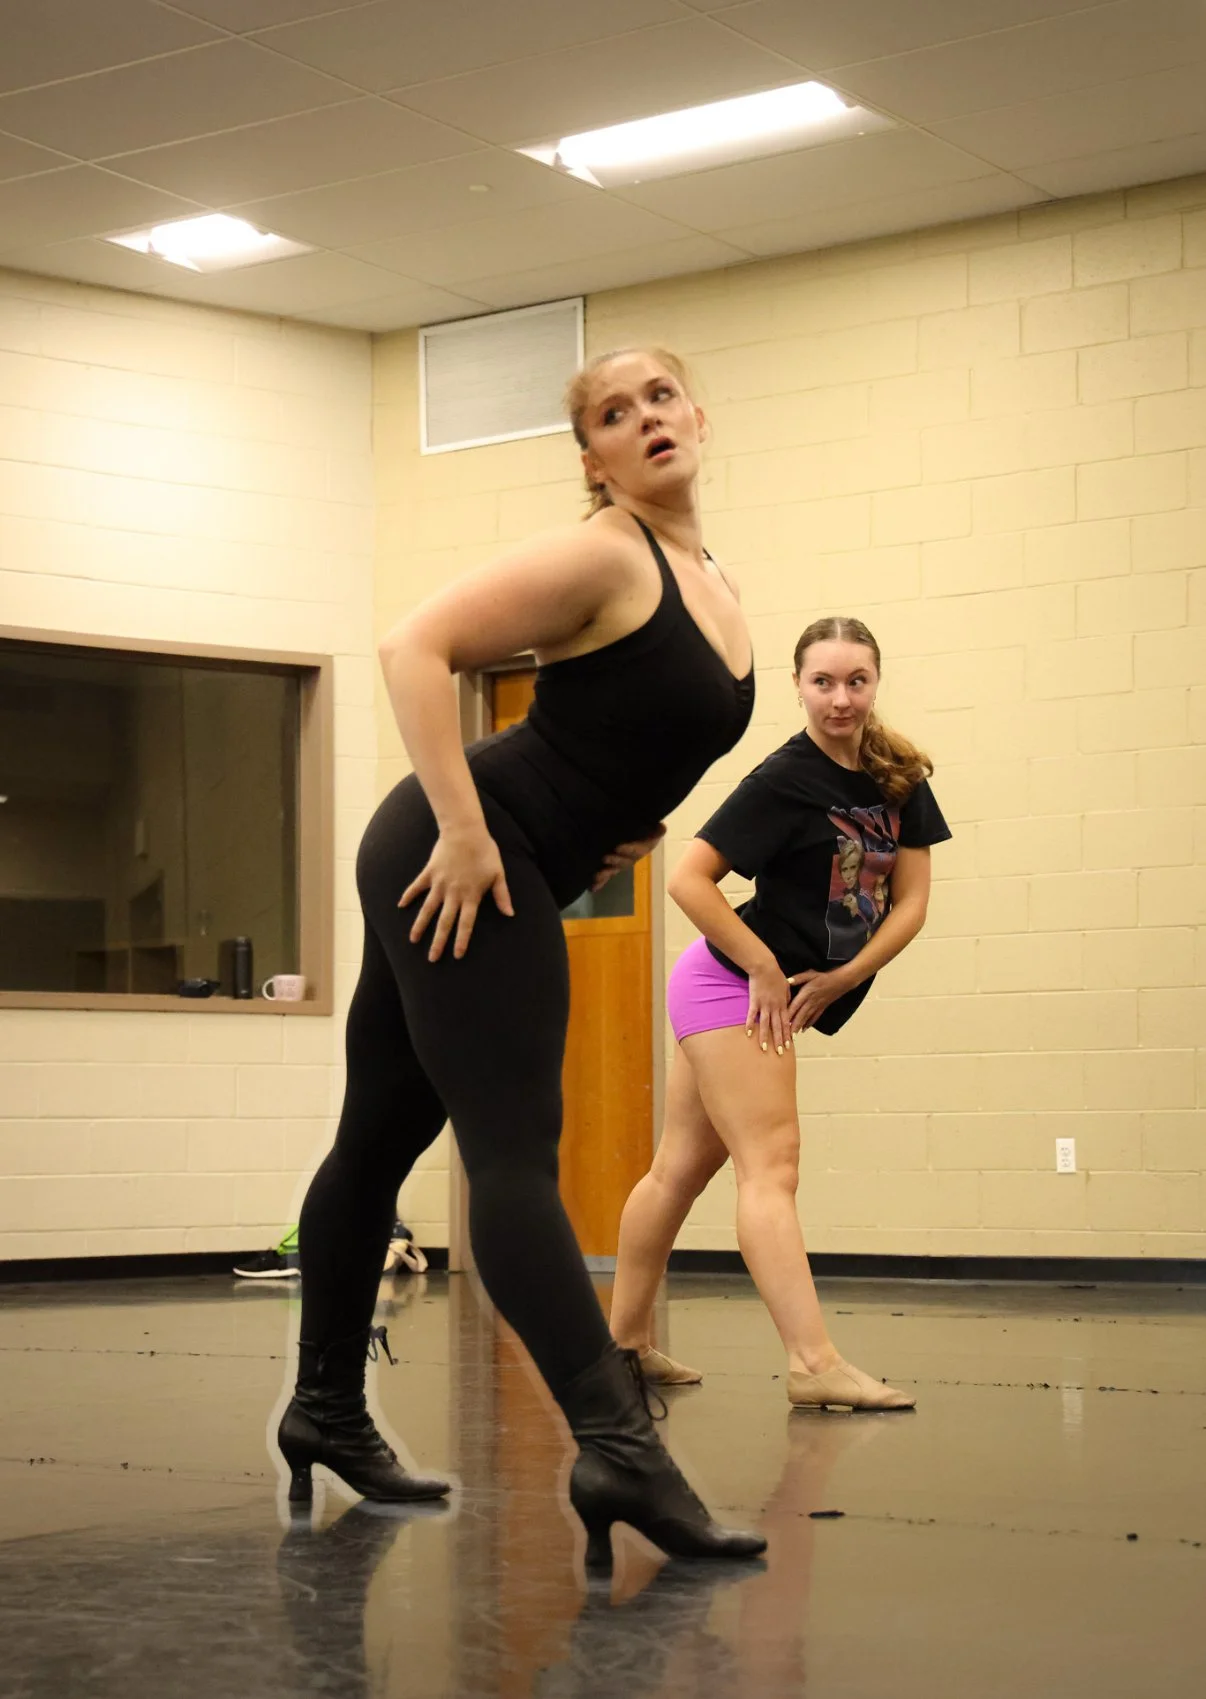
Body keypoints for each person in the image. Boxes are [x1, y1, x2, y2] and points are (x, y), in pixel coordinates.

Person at [275, 347, 766, 1563]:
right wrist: (459, 825)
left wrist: (631, 823)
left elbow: (633, 729)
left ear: (698, 415)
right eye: (613, 413)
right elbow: (414, 646)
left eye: (660, 397)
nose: (644, 419)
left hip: (513, 855)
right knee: (511, 1154)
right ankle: (616, 1445)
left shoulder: (711, 575)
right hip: (466, 856)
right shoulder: (608, 551)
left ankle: (325, 1407)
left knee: (378, 1137)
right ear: (591, 461)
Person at [609, 617, 951, 1410]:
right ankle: (812, 1362)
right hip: (732, 983)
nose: (840, 697)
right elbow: (688, 878)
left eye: (855, 680)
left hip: (767, 987)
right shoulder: (783, 779)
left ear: (876, 682)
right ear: (798, 685)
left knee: (680, 1168)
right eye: (822, 681)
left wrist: (844, 976)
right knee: (774, 1164)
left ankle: (619, 1347)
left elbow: (913, 902)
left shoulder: (899, 776)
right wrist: (765, 965)